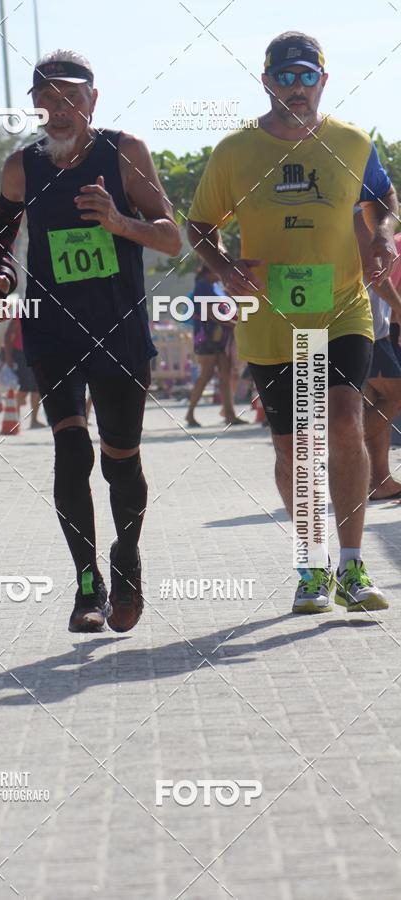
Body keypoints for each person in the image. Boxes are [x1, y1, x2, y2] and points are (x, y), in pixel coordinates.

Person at [187, 32, 398, 614]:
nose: (297, 88)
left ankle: (353, 567)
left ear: (323, 81)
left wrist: (380, 239)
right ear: (267, 82)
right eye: (286, 77)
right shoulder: (235, 151)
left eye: (308, 77)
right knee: (292, 450)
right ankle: (311, 564)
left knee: (344, 424)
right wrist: (226, 267)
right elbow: (201, 223)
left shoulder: (353, 142)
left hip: (340, 306)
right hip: (270, 316)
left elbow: (382, 199)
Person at [0, 49, 180, 633]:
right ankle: (86, 584)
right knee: (71, 451)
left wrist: (119, 223)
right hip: (52, 331)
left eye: (71, 97)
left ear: (93, 99)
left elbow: (170, 237)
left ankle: (126, 558)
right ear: (36, 104)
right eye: (47, 98)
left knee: (121, 462)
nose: (59, 109)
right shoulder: (21, 168)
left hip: (118, 332)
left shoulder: (125, 154)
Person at [355, 212, 401, 500]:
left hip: (374, 326)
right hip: (369, 325)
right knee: (395, 394)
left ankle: (380, 480)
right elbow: (376, 275)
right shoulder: (361, 218)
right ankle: (341, 447)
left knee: (376, 402)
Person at [185, 265, 245, 427]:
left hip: (220, 337)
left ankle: (230, 414)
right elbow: (211, 313)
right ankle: (190, 413)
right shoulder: (203, 285)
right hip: (206, 336)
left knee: (225, 373)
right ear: (211, 270)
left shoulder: (215, 286)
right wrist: (235, 325)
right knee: (206, 373)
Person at [3, 316, 45, 427]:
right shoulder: (21, 314)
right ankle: (13, 419)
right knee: (25, 388)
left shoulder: (44, 313)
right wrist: (8, 357)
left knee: (37, 388)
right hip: (22, 355)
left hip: (37, 354)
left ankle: (33, 421)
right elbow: (8, 336)